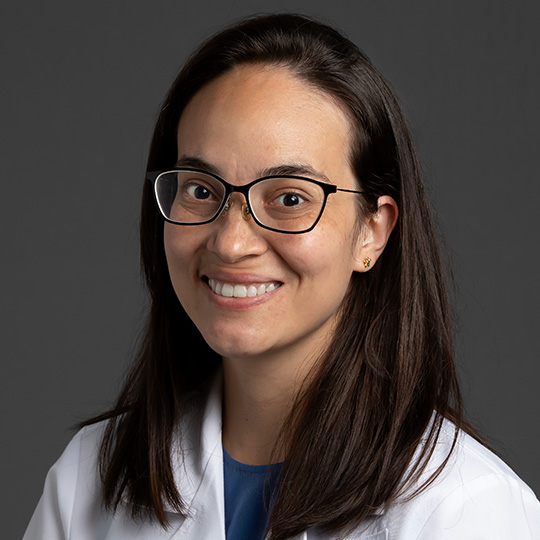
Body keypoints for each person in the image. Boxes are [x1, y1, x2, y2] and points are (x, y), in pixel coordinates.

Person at [23, 13, 540, 540]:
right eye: (201, 189)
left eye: (290, 198)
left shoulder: (466, 511)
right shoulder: (87, 480)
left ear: (372, 233)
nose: (230, 242)